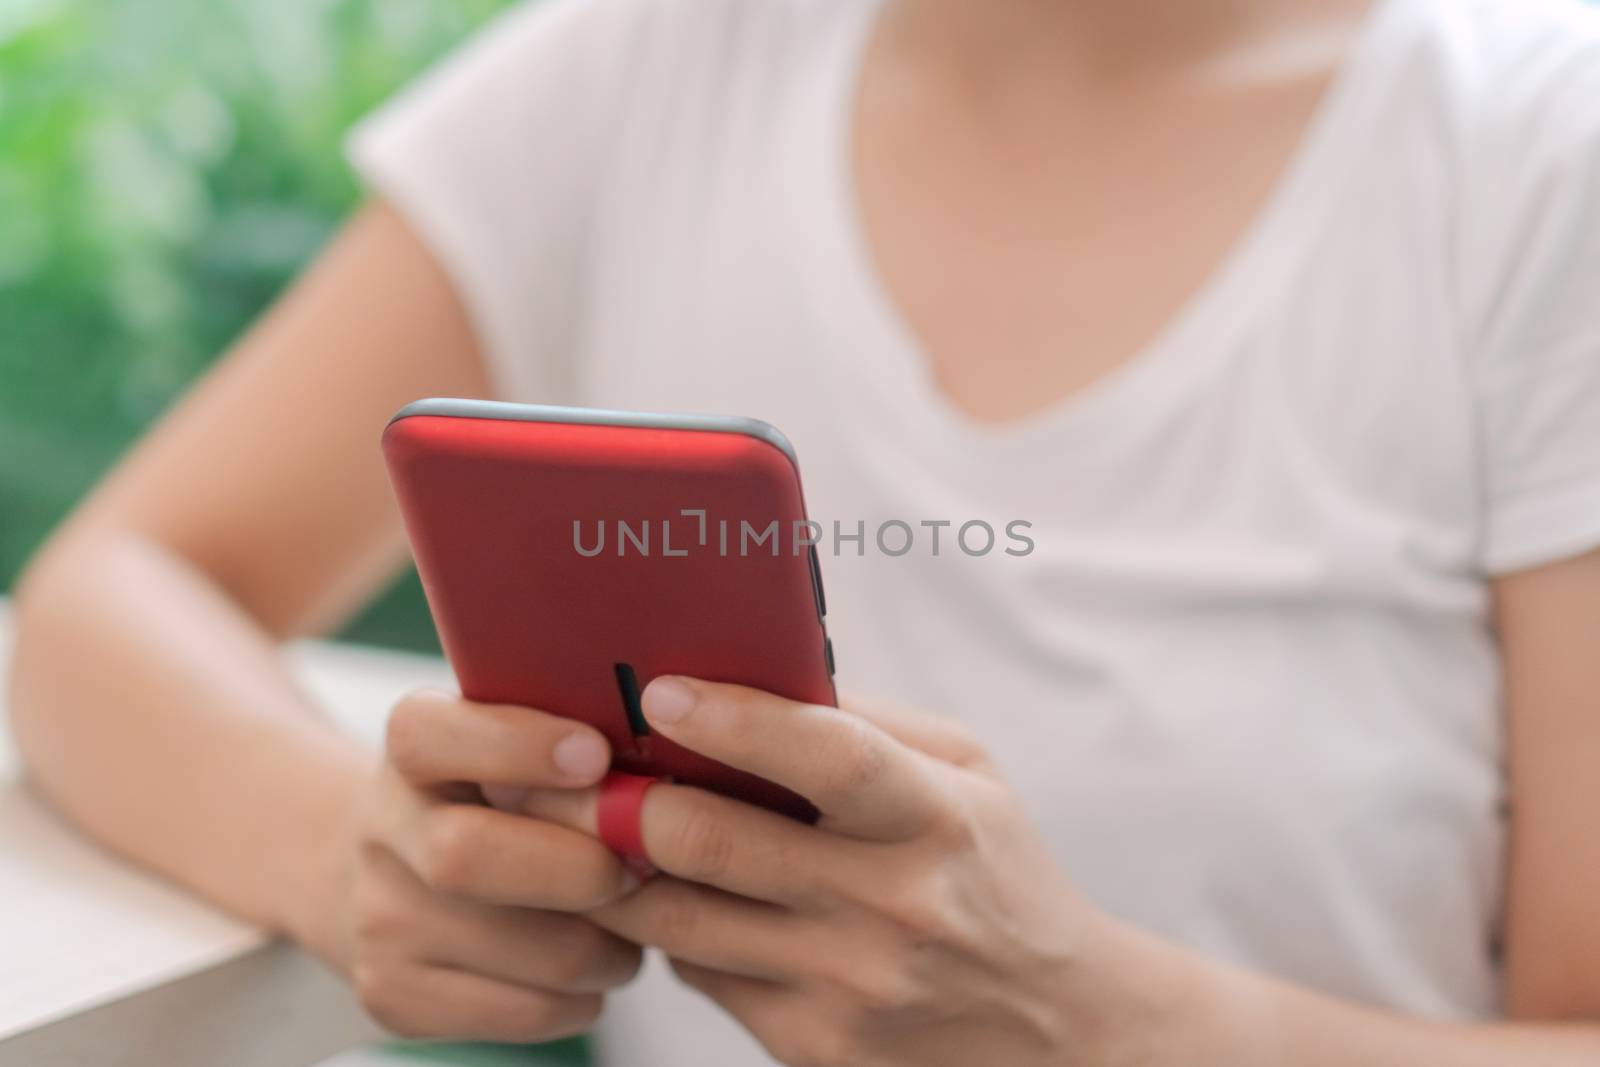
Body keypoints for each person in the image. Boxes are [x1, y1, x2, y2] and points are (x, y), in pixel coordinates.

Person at [10, 0, 1600, 1061]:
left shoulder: (1534, 147)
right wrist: (354, 859)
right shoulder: (657, 65)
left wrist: (1094, 1018)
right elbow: (111, 594)